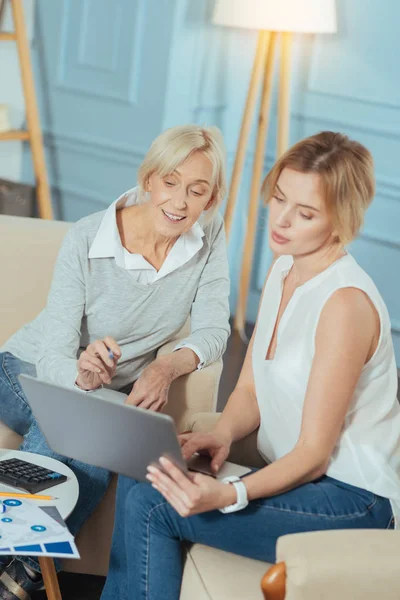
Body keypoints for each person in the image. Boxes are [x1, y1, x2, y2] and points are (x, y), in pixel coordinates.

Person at [101, 131, 400, 600]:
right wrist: (220, 435)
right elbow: (249, 392)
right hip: (304, 480)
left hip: (352, 500)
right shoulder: (285, 269)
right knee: (149, 480)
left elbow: (315, 453)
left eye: (305, 213)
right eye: (279, 198)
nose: (280, 221)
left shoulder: (344, 304)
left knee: (155, 505)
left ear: (341, 220)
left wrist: (229, 494)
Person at [0, 124, 230, 599]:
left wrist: (166, 366)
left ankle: (17, 571)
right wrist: (82, 377)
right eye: (170, 181)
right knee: (83, 429)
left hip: (104, 391)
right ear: (149, 179)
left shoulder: (208, 237)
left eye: (197, 190)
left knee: (94, 441)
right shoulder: (87, 238)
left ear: (211, 198)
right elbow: (52, 352)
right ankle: (27, 577)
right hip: (27, 367)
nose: (181, 201)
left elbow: (214, 330)